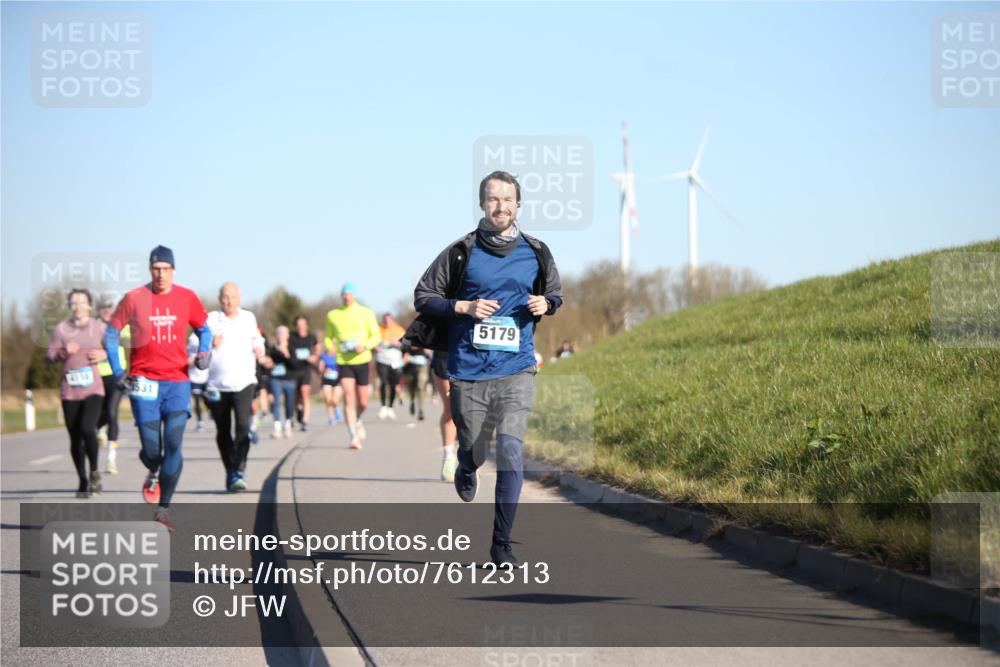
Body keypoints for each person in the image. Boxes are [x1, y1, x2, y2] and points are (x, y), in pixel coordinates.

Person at [406, 171, 563, 565]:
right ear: (482, 205)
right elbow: (423, 295)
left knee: (510, 449)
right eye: (493, 199)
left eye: (508, 199)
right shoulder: (461, 252)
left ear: (518, 204)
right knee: (475, 446)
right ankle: (466, 462)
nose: (501, 206)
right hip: (468, 370)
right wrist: (463, 306)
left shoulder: (537, 250)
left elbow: (555, 293)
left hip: (517, 367)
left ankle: (501, 544)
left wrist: (547, 304)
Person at [105, 246, 211, 531]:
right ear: (150, 270)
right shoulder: (134, 298)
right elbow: (111, 333)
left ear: (173, 270)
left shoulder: (187, 297)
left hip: (177, 381)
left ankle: (163, 508)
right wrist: (117, 371)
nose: (161, 274)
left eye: (166, 269)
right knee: (153, 450)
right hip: (143, 381)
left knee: (174, 442)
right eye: (156, 269)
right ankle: (153, 469)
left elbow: (205, 329)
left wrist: (204, 353)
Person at [46, 289, 107, 498]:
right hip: (69, 391)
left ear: (89, 305)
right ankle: (82, 479)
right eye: (73, 303)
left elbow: (114, 350)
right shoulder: (61, 330)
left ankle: (95, 472)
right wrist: (63, 351)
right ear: (69, 306)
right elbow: (49, 357)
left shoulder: (99, 327)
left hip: (93, 389)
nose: (77, 306)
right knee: (74, 438)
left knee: (88, 428)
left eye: (82, 302)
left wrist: (103, 354)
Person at [205, 282, 265, 492]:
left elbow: (258, 338)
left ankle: (238, 468)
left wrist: (259, 348)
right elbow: (195, 343)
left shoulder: (248, 318)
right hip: (217, 384)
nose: (228, 301)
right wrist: (209, 343)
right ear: (220, 298)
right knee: (222, 430)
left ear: (239, 298)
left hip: (244, 381)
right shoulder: (211, 319)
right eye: (224, 297)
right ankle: (231, 470)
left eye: (232, 297)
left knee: (242, 426)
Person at [323, 282, 380, 449]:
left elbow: (375, 336)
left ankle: (359, 419)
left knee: (363, 402)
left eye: (349, 294)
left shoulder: (366, 313)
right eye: (344, 294)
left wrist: (365, 346)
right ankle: (353, 436)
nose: (346, 297)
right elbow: (328, 337)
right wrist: (330, 347)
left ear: (354, 295)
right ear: (341, 296)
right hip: (343, 361)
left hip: (362, 359)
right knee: (348, 396)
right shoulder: (333, 315)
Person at [96, 297, 128, 475]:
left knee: (112, 413)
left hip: (117, 376)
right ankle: (98, 429)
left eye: (109, 307)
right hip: (98, 376)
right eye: (103, 307)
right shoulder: (92, 326)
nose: (106, 310)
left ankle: (111, 458)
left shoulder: (121, 325)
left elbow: (137, 335)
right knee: (100, 413)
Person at [262, 325, 296, 439]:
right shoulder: (272, 348)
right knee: (276, 402)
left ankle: (287, 425)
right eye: (278, 333)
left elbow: (296, 365)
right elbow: (267, 362)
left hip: (289, 379)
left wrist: (286, 353)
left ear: (287, 335)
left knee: (289, 403)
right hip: (275, 379)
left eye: (283, 333)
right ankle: (277, 428)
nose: (280, 336)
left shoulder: (292, 348)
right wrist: (268, 363)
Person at [430, 350, 458, 482]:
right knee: (451, 408)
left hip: (478, 354)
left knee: (474, 410)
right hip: (446, 353)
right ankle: (448, 457)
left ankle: (472, 457)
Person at [289, 316, 319, 431]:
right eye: (298, 325)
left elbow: (317, 348)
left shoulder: (311, 337)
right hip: (294, 369)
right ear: (296, 326)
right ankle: (298, 410)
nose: (301, 327)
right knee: (296, 396)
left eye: (303, 324)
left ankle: (305, 421)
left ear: (307, 325)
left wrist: (315, 357)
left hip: (306, 368)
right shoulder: (291, 337)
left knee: (305, 392)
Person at [375, 313, 406, 420]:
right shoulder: (378, 329)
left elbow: (406, 343)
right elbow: (373, 341)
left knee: (394, 384)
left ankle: (390, 407)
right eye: (385, 320)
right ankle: (383, 406)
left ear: (392, 320)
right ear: (383, 320)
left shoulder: (399, 329)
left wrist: (398, 343)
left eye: (389, 320)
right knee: (383, 382)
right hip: (382, 359)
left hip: (395, 361)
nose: (387, 322)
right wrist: (375, 347)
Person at [187, 332, 209, 432]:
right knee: (196, 400)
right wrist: (189, 361)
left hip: (206, 376)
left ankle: (212, 411)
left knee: (207, 399)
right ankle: (200, 422)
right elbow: (188, 357)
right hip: (194, 376)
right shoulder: (192, 338)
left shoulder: (208, 334)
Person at [402, 346, 429, 421]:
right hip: (409, 368)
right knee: (411, 389)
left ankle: (421, 410)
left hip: (422, 367)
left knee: (420, 387)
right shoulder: (406, 340)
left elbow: (429, 351)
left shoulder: (424, 336)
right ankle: (412, 401)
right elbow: (403, 355)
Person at [318, 348, 343, 425]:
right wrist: (324, 369)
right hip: (326, 380)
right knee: (328, 400)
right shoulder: (323, 356)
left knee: (334, 400)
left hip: (337, 380)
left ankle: (337, 409)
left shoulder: (339, 355)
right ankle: (331, 418)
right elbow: (320, 368)